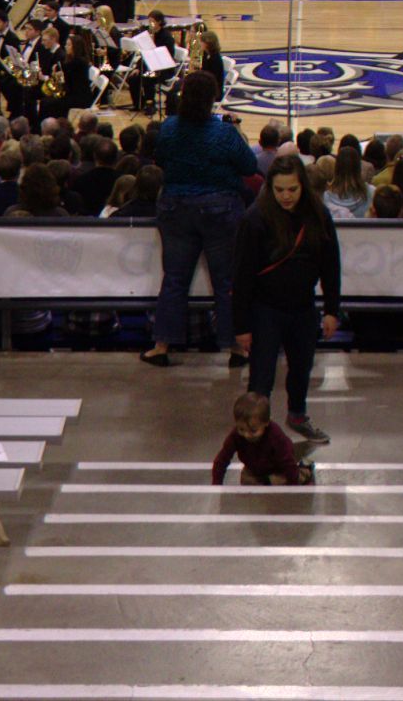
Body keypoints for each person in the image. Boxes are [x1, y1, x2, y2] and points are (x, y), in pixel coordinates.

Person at [141, 71, 255, 367]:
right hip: (220, 210)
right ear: (212, 99)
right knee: (226, 281)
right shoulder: (224, 133)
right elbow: (249, 165)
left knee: (175, 278)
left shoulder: (169, 128)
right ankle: (236, 348)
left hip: (176, 208)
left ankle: (162, 344)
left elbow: (161, 159)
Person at [232, 154, 341, 444]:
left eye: (292, 189)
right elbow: (242, 275)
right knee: (261, 376)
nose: (286, 196)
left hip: (303, 308)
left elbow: (331, 264)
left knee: (302, 368)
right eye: (279, 190)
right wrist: (241, 326)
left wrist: (332, 309)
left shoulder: (318, 214)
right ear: (271, 187)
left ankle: (297, 415)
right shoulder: (255, 219)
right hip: (265, 309)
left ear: (302, 186)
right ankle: (256, 427)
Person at [211, 391, 316, 485]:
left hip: (278, 467)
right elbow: (222, 459)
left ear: (266, 423)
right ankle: (266, 480)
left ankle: (305, 469)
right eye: (241, 429)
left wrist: (292, 486)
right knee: (246, 480)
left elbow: (287, 463)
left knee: (287, 479)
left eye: (253, 430)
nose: (247, 434)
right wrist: (216, 483)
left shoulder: (276, 437)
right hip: (255, 468)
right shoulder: (235, 436)